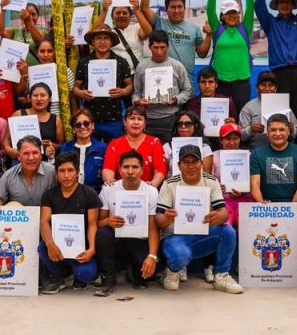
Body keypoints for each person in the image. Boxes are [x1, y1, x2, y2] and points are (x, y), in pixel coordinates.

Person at [155, 145, 243, 294]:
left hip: (202, 234)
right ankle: (172, 270)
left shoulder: (211, 180)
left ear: (201, 163)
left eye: (194, 162)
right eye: (186, 162)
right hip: (174, 236)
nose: (191, 166)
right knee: (179, 254)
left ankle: (221, 275)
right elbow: (158, 220)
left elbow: (224, 213)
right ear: (179, 165)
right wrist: (167, 217)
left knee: (228, 231)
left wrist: (218, 217)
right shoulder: (170, 183)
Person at [96, 150, 160, 295]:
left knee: (151, 271)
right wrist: (108, 221)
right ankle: (108, 278)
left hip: (139, 240)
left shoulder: (151, 192)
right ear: (119, 170)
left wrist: (152, 256)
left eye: (135, 167)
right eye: (126, 167)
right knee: (103, 233)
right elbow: (98, 223)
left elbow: (153, 227)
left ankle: (132, 268)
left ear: (142, 170)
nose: (130, 172)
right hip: (116, 240)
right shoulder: (108, 189)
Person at [38, 152, 102, 294]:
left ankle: (78, 276)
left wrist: (92, 249)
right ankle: (60, 277)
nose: (66, 175)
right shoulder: (49, 195)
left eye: (70, 170)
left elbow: (92, 225)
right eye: (62, 171)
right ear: (56, 174)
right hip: (58, 247)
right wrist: (50, 244)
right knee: (42, 247)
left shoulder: (89, 193)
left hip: (81, 247)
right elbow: (44, 221)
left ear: (77, 173)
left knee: (86, 274)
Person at [255, 0, 297, 119]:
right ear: (277, 5)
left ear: (293, 4)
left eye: (288, 1)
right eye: (281, 1)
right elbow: (259, 7)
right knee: (280, 113)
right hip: (279, 74)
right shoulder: (270, 23)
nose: (284, 4)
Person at [140, 0, 212, 76]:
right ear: (166, 9)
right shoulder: (159, 23)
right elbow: (144, 8)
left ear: (184, 8)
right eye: (173, 7)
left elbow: (202, 54)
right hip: (163, 77)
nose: (176, 10)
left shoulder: (194, 28)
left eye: (179, 7)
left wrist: (209, 36)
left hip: (187, 80)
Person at [73, 25, 134, 140]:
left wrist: (122, 92)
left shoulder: (121, 62)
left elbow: (130, 86)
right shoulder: (84, 62)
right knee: (92, 149)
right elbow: (76, 88)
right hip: (90, 120)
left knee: (116, 150)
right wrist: (81, 93)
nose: (102, 41)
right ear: (93, 42)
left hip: (115, 119)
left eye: (106, 38)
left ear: (111, 42)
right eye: (98, 38)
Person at [132, 30, 193, 141]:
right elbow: (136, 92)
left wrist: (176, 99)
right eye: (155, 47)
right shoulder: (141, 66)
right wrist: (138, 101)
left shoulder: (177, 66)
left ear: (168, 46)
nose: (159, 51)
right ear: (149, 47)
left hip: (170, 118)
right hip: (147, 119)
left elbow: (187, 90)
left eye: (162, 47)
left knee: (168, 150)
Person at [249, 113, 297, 203]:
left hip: (294, 204)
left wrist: (291, 208)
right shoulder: (256, 154)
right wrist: (263, 206)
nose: (277, 134)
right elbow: (254, 185)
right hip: (266, 205)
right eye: (273, 130)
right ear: (267, 132)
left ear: (288, 131)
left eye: (282, 130)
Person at [102, 106, 167, 189]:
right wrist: (110, 182)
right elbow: (108, 168)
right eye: (132, 118)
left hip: (147, 190)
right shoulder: (114, 144)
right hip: (120, 190)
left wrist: (153, 184)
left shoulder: (155, 142)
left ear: (144, 123)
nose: (136, 122)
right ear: (124, 122)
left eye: (140, 119)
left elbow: (160, 169)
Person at [206, 123, 254, 226]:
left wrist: (244, 189)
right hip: (222, 200)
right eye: (228, 139)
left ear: (240, 139)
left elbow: (254, 181)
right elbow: (208, 182)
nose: (232, 142)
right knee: (225, 226)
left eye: (235, 138)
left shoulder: (248, 156)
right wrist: (217, 188)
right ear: (221, 140)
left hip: (245, 198)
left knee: (247, 226)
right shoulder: (213, 156)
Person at [93, 0, 152, 79]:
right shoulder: (109, 33)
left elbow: (148, 32)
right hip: (115, 75)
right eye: (117, 13)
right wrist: (104, 10)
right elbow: (94, 32)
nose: (121, 16)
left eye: (125, 13)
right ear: (112, 17)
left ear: (130, 16)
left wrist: (136, 10)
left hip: (136, 74)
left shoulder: (136, 28)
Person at [0, 136, 57, 207]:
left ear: (41, 155)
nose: (31, 158)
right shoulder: (9, 175)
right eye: (26, 153)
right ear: (18, 156)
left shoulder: (53, 173)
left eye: (35, 153)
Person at [238, 70, 297, 149]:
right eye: (263, 85)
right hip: (256, 150)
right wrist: (251, 129)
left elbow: (295, 134)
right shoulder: (248, 107)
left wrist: (292, 129)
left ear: (275, 88)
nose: (267, 88)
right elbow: (240, 136)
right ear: (257, 88)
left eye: (270, 85)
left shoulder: (284, 106)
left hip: (281, 150)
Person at [5, 83, 63, 164]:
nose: (39, 99)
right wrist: (10, 151)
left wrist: (50, 145)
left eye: (43, 95)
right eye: (35, 95)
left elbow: (61, 145)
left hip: (45, 162)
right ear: (29, 98)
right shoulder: (18, 114)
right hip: (20, 161)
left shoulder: (56, 120)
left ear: (50, 98)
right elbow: (7, 139)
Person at [57, 109, 108, 192]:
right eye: (78, 125)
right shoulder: (65, 148)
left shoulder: (103, 148)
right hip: (71, 193)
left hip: (96, 193)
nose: (83, 127)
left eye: (86, 123)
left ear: (92, 125)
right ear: (73, 129)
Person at [184, 66, 239, 131]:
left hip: (221, 136)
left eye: (210, 82)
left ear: (216, 84)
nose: (207, 86)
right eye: (203, 82)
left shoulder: (228, 103)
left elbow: (235, 129)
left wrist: (232, 124)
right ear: (198, 84)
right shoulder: (190, 104)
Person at [36, 37, 78, 117]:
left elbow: (73, 98)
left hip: (61, 118)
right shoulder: (33, 73)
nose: (46, 55)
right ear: (37, 54)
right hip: (38, 119)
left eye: (50, 51)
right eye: (42, 51)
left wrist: (75, 118)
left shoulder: (65, 71)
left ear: (55, 53)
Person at [162, 110, 213, 177]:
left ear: (196, 125)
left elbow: (207, 175)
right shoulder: (167, 146)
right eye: (180, 124)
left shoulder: (204, 147)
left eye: (188, 124)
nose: (183, 127)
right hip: (172, 182)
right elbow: (162, 172)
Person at [0, 0, 48, 65]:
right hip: (18, 70)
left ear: (38, 16)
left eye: (33, 14)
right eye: (27, 14)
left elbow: (38, 40)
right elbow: (1, 31)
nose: (30, 17)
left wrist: (29, 21)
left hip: (36, 70)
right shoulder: (15, 31)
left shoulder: (43, 30)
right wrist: (3, 9)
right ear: (21, 17)